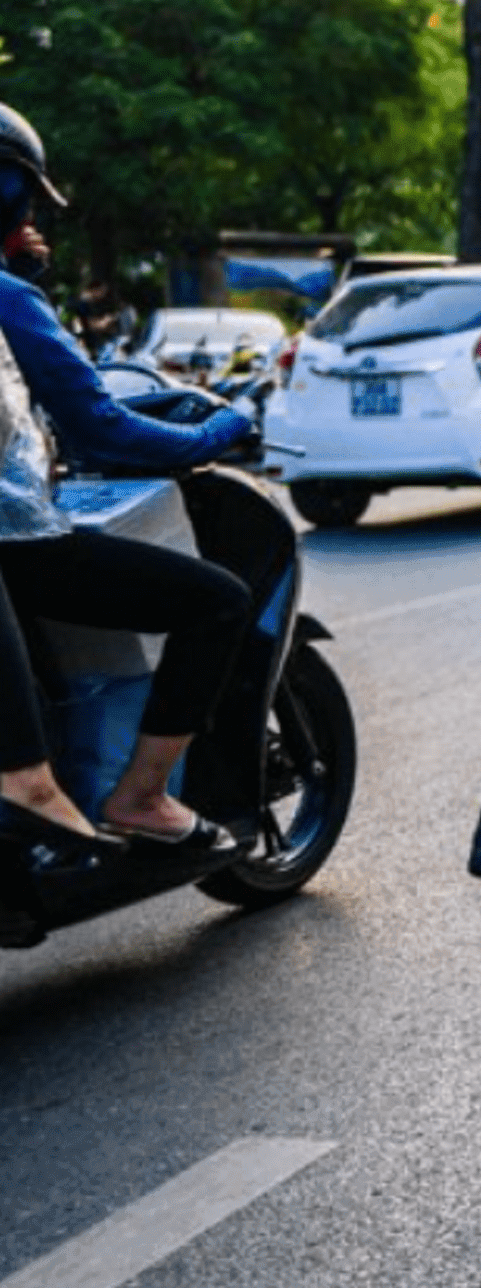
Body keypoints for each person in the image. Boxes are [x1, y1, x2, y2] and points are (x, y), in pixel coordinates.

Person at [0, 103, 260, 862]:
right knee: (218, 600)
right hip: (15, 540)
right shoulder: (10, 298)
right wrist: (217, 430)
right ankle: (135, 795)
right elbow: (100, 427)